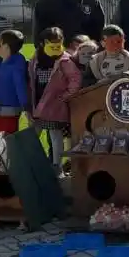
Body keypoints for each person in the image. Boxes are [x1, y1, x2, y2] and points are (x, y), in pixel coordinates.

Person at [29, 27, 82, 174]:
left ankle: (57, 166)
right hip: (38, 103)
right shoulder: (37, 58)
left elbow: (75, 78)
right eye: (51, 43)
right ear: (42, 43)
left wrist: (66, 96)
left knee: (55, 136)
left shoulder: (64, 60)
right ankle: (32, 162)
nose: (55, 46)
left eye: (58, 42)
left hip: (54, 105)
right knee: (32, 135)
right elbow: (31, 77)